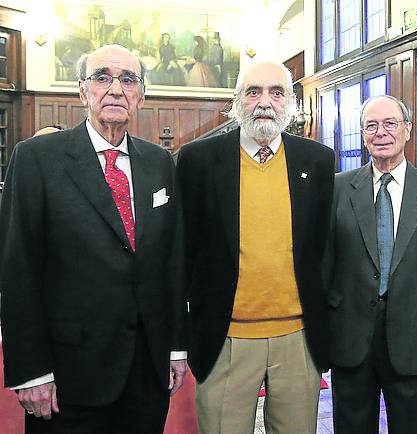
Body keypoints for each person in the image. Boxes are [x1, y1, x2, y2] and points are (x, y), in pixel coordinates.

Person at [0, 44, 188, 433]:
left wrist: (175, 346)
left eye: (128, 80)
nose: (116, 89)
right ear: (82, 91)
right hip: (68, 376)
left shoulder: (159, 163)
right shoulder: (37, 159)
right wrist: (31, 372)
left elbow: (170, 262)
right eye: (102, 77)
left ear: (141, 95)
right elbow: (18, 269)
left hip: (146, 374)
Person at [177, 60, 334, 434]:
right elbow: (183, 251)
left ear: (290, 103)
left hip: (298, 339)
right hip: (224, 340)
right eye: (253, 92)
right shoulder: (197, 160)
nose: (265, 102)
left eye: (276, 92)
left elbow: (324, 248)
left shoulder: (318, 160)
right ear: (237, 101)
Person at [326, 95, 417, 433]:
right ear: (362, 134)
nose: (381, 132)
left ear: (407, 130)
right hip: (350, 341)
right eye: (371, 125)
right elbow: (324, 266)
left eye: (390, 124)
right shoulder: (338, 189)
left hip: (414, 343)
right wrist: (322, 335)